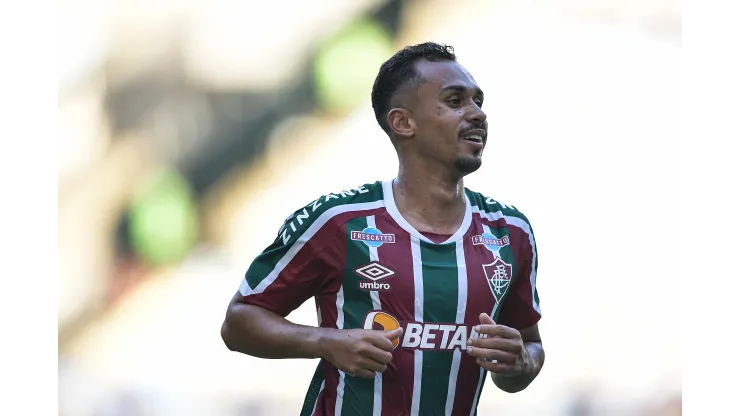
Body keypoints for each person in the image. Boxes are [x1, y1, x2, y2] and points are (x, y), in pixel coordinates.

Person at [221, 42, 545, 416]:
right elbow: (239, 321)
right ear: (403, 122)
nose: (477, 114)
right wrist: (326, 342)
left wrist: (521, 362)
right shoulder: (339, 221)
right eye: (456, 101)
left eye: (478, 101)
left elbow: (526, 352)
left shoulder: (510, 233)